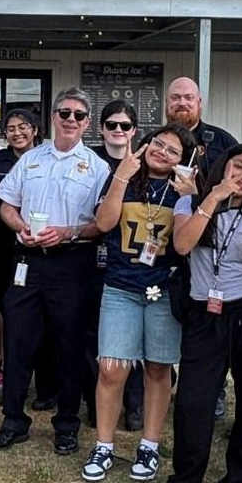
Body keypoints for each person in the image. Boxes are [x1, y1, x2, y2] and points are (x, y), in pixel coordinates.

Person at [153, 144, 242, 483]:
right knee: (194, 400)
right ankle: (185, 480)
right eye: (238, 167)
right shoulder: (195, 203)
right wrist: (212, 196)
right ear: (223, 168)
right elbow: (182, 244)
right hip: (203, 314)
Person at [0, 88, 110, 455]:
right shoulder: (30, 160)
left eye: (78, 115)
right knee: (19, 340)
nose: (70, 120)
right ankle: (12, 421)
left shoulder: (98, 168)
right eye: (64, 113)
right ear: (53, 117)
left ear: (87, 124)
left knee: (69, 346)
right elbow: (6, 204)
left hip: (72, 263)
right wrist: (18, 225)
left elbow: (102, 224)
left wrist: (68, 232)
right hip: (28, 262)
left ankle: (67, 424)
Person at [82, 124, 196, 483]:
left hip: (163, 288)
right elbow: (102, 223)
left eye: (172, 151)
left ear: (185, 160)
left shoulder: (184, 189)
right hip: (120, 286)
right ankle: (104, 444)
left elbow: (188, 242)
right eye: (158, 144)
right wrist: (120, 176)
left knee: (158, 369)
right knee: (111, 368)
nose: (162, 152)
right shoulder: (126, 176)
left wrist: (193, 194)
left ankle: (149, 444)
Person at [0, 109, 55, 405]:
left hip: (42, 249)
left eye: (23, 127)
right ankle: (11, 382)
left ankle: (48, 386)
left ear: (35, 129)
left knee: (45, 319)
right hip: (3, 249)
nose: (17, 132)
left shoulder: (50, 158)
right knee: (11, 314)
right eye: (10, 128)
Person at [96, 99, 148, 430]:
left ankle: (135, 405)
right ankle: (98, 403)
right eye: (112, 125)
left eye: (125, 126)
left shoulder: (145, 164)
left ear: (134, 130)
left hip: (139, 266)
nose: (118, 131)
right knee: (101, 339)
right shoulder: (93, 162)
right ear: (101, 128)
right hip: (96, 258)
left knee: (139, 341)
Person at [165, 76, 237, 170]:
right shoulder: (152, 142)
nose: (182, 103)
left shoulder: (223, 141)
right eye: (175, 98)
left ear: (199, 103)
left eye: (189, 97)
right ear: (166, 102)